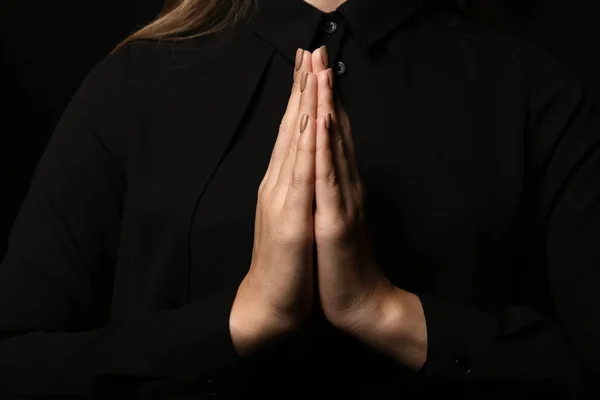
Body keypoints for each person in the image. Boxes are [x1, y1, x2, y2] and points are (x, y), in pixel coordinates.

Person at [0, 0, 598, 398]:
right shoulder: (131, 86)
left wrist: (385, 313)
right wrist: (241, 320)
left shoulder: (527, 88)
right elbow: (19, 361)